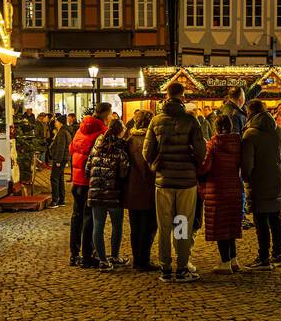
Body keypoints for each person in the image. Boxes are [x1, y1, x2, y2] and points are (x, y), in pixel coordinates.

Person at [145, 81, 207, 282]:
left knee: (164, 225)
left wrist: (157, 165)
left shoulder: (156, 121)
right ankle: (181, 267)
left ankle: (165, 267)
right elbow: (201, 152)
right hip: (186, 181)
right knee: (182, 223)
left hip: (163, 181)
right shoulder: (191, 121)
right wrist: (192, 162)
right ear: (183, 96)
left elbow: (147, 152)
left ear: (166, 95)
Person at [242, 99, 281, 268]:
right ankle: (277, 254)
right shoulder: (279, 131)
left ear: (250, 113)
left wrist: (246, 179)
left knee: (261, 221)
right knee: (276, 219)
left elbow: (247, 164)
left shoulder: (250, 134)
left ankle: (263, 257)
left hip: (258, 182)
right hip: (276, 181)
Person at [198, 114, 244, 273]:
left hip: (217, 189)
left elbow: (205, 166)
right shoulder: (238, 143)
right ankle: (233, 260)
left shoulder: (213, 144)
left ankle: (225, 262)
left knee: (220, 225)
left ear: (216, 127)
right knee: (230, 224)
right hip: (234, 187)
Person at [68, 103, 111, 268]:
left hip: (77, 179)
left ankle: (73, 254)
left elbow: (72, 149)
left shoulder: (80, 130)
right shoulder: (101, 133)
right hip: (89, 180)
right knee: (89, 218)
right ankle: (87, 255)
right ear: (106, 116)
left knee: (76, 216)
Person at [86, 119, 131, 270]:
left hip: (96, 192)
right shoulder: (120, 149)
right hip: (114, 192)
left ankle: (103, 260)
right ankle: (114, 255)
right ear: (120, 131)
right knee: (116, 225)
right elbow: (124, 172)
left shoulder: (97, 146)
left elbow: (87, 168)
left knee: (98, 225)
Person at [124, 110, 158, 271]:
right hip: (149, 188)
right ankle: (144, 259)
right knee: (149, 226)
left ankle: (137, 259)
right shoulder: (151, 140)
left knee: (135, 227)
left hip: (132, 189)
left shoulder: (129, 140)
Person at [47, 113, 72, 206]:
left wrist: (58, 160)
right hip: (63, 158)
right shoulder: (64, 131)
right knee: (60, 178)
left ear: (60, 123)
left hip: (60, 159)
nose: (55, 122)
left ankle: (55, 200)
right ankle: (61, 199)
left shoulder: (62, 132)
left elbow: (61, 147)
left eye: (57, 121)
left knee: (54, 178)